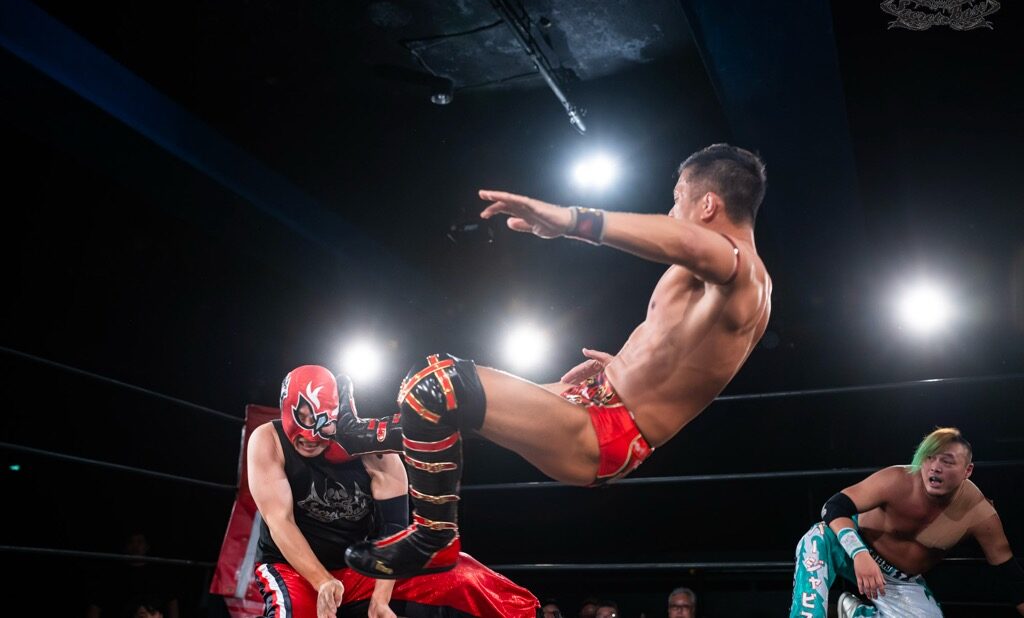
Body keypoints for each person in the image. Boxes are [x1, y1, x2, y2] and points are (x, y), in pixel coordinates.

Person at [345, 143, 771, 578]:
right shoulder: (716, 280)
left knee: (439, 383)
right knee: (438, 405)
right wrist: (621, 367)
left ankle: (433, 538)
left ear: (707, 205)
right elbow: (685, 355)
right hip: (595, 399)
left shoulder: (745, 275)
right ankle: (354, 436)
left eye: (678, 198)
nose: (671, 211)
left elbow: (689, 243)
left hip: (606, 433)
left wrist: (570, 219)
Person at [248, 364, 540, 618]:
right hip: (293, 568)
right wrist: (322, 580)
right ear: (285, 409)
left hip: (359, 567)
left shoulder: (377, 454)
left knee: (462, 573)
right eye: (304, 419)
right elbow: (280, 522)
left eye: (323, 423)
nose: (310, 437)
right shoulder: (268, 441)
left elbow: (393, 532)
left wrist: (381, 598)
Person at [789, 427, 1024, 617]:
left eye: (947, 461)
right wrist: (859, 552)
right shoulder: (897, 480)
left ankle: (855, 613)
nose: (935, 467)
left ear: (967, 470)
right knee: (816, 539)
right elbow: (833, 506)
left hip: (895, 578)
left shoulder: (979, 514)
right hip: (847, 545)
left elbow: (1010, 576)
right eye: (929, 457)